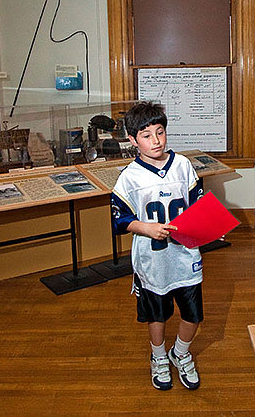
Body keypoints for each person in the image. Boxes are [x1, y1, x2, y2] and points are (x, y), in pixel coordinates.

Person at [110, 101, 204, 391]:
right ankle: (159, 355)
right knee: (158, 314)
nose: (155, 141)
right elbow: (119, 220)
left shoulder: (183, 165)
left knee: (193, 314)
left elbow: (199, 204)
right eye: (147, 135)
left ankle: (181, 352)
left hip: (185, 255)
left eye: (160, 132)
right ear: (132, 140)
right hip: (153, 260)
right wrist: (146, 227)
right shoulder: (129, 177)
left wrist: (206, 225)